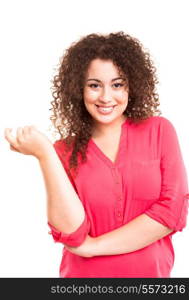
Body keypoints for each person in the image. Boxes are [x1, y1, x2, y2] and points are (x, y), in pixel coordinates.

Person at [4, 32, 189, 278]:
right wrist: (45, 154)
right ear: (78, 89)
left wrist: (93, 247)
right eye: (94, 85)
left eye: (117, 84)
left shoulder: (159, 131)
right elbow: (71, 233)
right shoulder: (63, 151)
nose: (105, 97)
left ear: (131, 85)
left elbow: (171, 212)